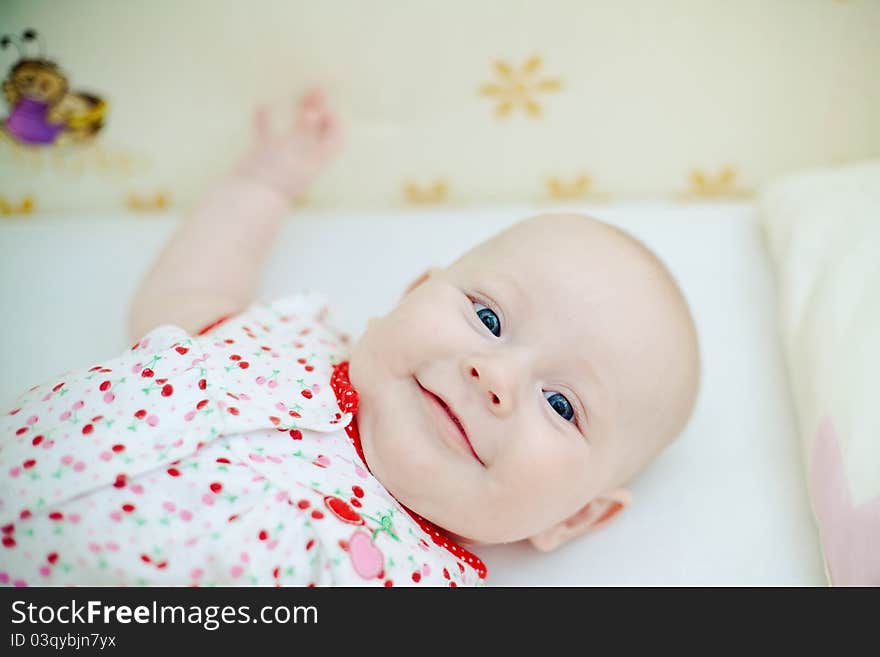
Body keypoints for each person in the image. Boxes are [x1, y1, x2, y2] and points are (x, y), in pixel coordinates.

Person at [0, 89, 700, 586]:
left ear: (576, 516)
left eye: (562, 405)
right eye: (488, 318)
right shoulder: (283, 335)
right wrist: (267, 182)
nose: (497, 375)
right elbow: (184, 296)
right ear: (411, 295)